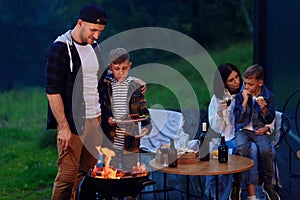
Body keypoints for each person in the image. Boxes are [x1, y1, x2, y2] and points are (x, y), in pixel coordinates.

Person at [45, 3, 108, 200]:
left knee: (89, 173)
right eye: (93, 30)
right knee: (67, 177)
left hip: (95, 119)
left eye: (100, 31)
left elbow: (103, 78)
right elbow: (52, 91)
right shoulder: (59, 50)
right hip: (73, 124)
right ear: (80, 23)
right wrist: (63, 126)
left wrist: (133, 82)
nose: (96, 36)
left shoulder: (94, 46)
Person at [206, 63, 267, 200]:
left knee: (253, 148)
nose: (237, 82)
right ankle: (235, 188)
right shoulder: (217, 99)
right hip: (225, 138)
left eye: (237, 77)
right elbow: (216, 129)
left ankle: (250, 191)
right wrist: (220, 113)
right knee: (249, 149)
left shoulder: (245, 92)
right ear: (223, 83)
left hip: (243, 135)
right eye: (231, 80)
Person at [100, 47, 152, 171]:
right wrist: (107, 118)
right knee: (110, 171)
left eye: (125, 68)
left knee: (131, 171)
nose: (121, 72)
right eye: (116, 69)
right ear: (110, 67)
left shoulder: (135, 86)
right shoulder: (105, 84)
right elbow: (101, 107)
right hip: (110, 137)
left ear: (130, 66)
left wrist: (146, 127)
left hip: (131, 138)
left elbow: (144, 112)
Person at [234, 64, 280, 200]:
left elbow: (271, 118)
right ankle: (236, 184)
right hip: (243, 130)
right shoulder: (240, 96)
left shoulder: (268, 96)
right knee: (241, 149)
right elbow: (238, 118)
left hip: (258, 131)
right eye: (245, 83)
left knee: (266, 151)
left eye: (250, 84)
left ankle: (267, 184)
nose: (246, 87)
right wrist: (244, 101)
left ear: (260, 83)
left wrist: (264, 109)